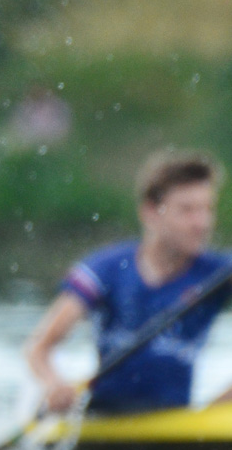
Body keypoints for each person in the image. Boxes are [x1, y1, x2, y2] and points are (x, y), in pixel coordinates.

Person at [24, 149, 232, 415]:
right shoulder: (106, 268)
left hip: (174, 420)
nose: (202, 223)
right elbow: (39, 348)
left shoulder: (219, 272)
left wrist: (213, 413)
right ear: (150, 212)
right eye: (187, 210)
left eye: (207, 209)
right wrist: (54, 385)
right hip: (103, 418)